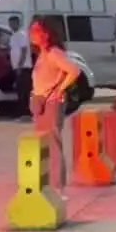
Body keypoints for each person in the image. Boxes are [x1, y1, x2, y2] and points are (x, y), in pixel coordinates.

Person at [29, 19, 82, 190]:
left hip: (51, 102)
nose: (32, 34)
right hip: (40, 101)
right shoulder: (42, 54)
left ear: (46, 34)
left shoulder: (54, 53)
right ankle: (46, 182)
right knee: (42, 143)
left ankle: (57, 185)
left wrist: (60, 89)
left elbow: (74, 71)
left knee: (52, 143)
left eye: (36, 31)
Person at [7, 15, 32, 115]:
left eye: (13, 23)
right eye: (10, 23)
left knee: (24, 91)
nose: (11, 25)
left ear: (18, 23)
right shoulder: (13, 36)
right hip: (17, 67)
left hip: (23, 67)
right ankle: (23, 112)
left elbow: (24, 51)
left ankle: (27, 113)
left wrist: (20, 66)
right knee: (20, 90)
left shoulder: (21, 35)